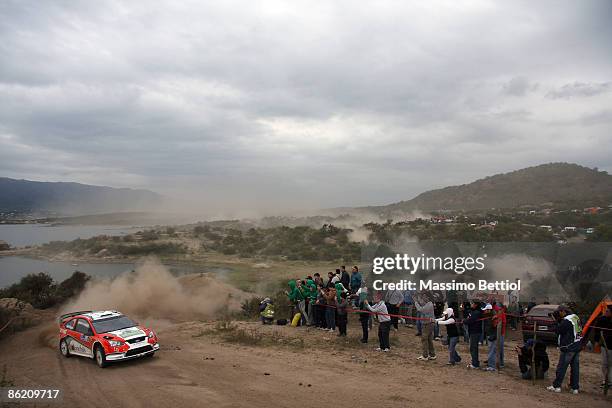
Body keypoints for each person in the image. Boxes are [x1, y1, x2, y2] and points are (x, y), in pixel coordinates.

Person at [547, 305, 582, 394]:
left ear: (563, 311)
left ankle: (557, 386)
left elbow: (558, 330)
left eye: (559, 312)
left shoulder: (567, 321)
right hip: (577, 346)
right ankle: (575, 388)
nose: (558, 314)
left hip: (568, 347)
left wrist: (554, 322)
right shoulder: (575, 317)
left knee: (561, 367)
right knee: (575, 369)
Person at [593, 305, 612, 389]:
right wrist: (597, 341)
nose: (606, 312)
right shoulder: (602, 319)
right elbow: (597, 330)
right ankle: (605, 380)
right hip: (605, 345)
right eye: (606, 311)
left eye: (608, 311)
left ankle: (610, 381)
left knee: (611, 364)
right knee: (605, 363)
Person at [414, 293, 436, 361]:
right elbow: (421, 303)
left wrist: (415, 302)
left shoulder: (429, 305)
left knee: (424, 339)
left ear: (428, 298)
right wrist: (417, 300)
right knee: (429, 339)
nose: (423, 298)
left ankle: (425, 355)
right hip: (428, 323)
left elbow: (420, 309)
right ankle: (432, 354)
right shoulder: (428, 303)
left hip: (427, 324)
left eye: (424, 297)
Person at [464, 300, 483, 369]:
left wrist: (464, 321)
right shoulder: (474, 311)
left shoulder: (476, 312)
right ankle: (474, 362)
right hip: (474, 331)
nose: (471, 304)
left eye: (472, 303)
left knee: (473, 348)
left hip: (475, 332)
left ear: (476, 305)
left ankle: (475, 364)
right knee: (473, 348)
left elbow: (470, 320)